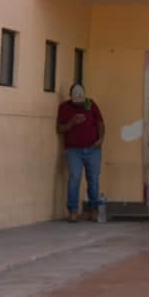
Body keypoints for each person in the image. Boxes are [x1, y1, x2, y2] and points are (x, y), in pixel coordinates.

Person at [56, 83, 104, 221]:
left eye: (81, 101)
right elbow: (59, 129)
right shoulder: (64, 107)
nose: (79, 104)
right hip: (73, 150)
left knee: (93, 179)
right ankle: (73, 210)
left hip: (93, 149)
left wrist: (101, 139)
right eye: (76, 102)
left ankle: (94, 210)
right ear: (70, 97)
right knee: (74, 178)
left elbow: (100, 123)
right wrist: (72, 123)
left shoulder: (90, 104)